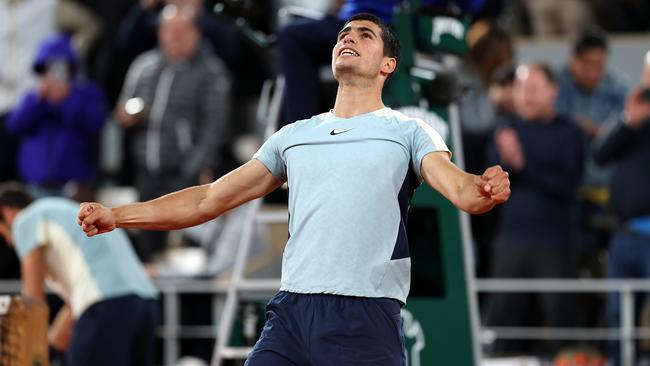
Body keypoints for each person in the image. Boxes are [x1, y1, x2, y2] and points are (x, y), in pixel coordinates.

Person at [79, 13, 510, 365]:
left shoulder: (409, 131)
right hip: (290, 314)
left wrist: (485, 188)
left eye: (364, 35)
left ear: (388, 65)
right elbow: (209, 199)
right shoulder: (294, 135)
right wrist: (119, 215)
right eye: (343, 33)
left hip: (364, 317)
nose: (349, 38)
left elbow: (462, 192)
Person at [116, 4, 232, 261]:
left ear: (196, 33)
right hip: (147, 171)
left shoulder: (211, 71)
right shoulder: (144, 66)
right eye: (168, 29)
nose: (174, 35)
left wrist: (192, 169)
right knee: (147, 248)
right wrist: (127, 115)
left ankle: (190, 301)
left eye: (181, 30)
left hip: (185, 175)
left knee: (189, 249)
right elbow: (123, 107)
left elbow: (215, 128)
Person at [484, 63, 585, 356]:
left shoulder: (569, 132)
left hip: (555, 245)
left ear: (553, 91)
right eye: (520, 88)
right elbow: (489, 183)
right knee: (504, 323)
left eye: (533, 88)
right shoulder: (506, 131)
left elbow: (568, 184)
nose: (525, 95)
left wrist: (522, 164)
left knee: (561, 324)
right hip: (510, 243)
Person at [0, 182, 158, 366]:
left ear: (6, 212)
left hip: (105, 305)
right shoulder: (63, 214)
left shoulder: (24, 220)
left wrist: (29, 355)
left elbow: (34, 301)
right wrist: (49, 350)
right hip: (146, 304)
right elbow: (75, 307)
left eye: (3, 234)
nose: (9, 243)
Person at [594, 51, 650, 366]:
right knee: (618, 312)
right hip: (625, 234)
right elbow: (600, 154)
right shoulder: (634, 114)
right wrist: (630, 121)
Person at [6, 33, 107, 201]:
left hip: (74, 188)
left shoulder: (86, 94)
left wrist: (66, 100)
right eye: (46, 67)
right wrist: (39, 100)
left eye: (58, 67)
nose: (52, 73)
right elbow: (14, 125)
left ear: (70, 67)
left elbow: (95, 123)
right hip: (35, 187)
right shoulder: (33, 97)